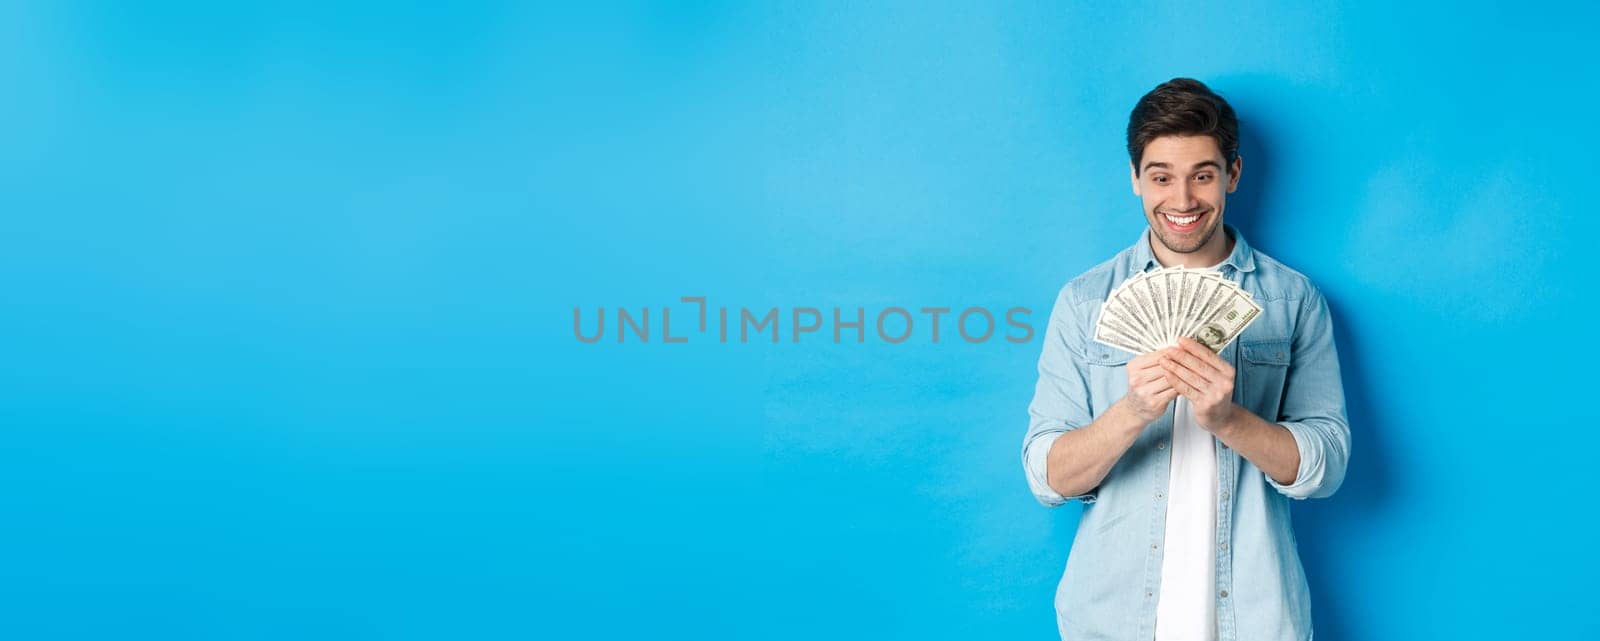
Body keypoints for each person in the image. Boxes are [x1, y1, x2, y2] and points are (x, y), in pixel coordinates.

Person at [1021, 78, 1351, 641]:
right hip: (1110, 620)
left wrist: (1229, 419)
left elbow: (1327, 467)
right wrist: (1133, 410)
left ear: (1233, 175)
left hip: (1256, 618)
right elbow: (1047, 475)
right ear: (1135, 179)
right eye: (1161, 177)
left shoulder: (1293, 300)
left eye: (1202, 174)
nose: (1182, 201)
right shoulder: (1083, 301)